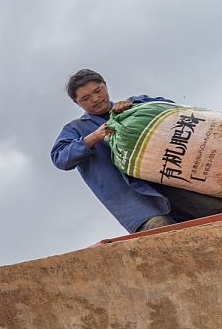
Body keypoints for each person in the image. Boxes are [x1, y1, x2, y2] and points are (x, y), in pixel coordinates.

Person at [51, 69, 222, 231]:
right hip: (136, 204)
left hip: (174, 184)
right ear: (77, 103)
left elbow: (170, 109)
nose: (95, 99)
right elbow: (60, 157)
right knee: (161, 229)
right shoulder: (76, 129)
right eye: (86, 98)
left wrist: (135, 108)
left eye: (98, 91)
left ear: (105, 85)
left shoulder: (136, 104)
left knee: (214, 208)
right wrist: (94, 137)